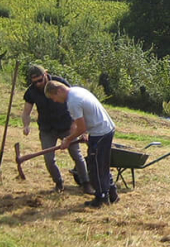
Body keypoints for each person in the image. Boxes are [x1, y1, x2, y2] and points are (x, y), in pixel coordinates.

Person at [45, 80, 118, 208]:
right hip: (106, 128)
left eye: (54, 97)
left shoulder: (72, 101)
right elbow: (78, 122)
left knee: (95, 167)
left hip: (100, 132)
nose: (55, 101)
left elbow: (82, 127)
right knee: (102, 165)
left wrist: (68, 139)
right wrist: (76, 134)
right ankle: (112, 194)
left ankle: (101, 199)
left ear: (59, 91)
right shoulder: (76, 91)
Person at [21, 65, 92, 194]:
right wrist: (26, 125)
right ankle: (58, 183)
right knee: (49, 159)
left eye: (40, 80)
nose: (38, 84)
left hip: (67, 126)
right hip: (47, 129)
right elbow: (26, 112)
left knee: (76, 154)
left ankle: (86, 183)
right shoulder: (31, 92)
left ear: (45, 74)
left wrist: (80, 129)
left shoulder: (60, 84)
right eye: (34, 82)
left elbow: (76, 104)